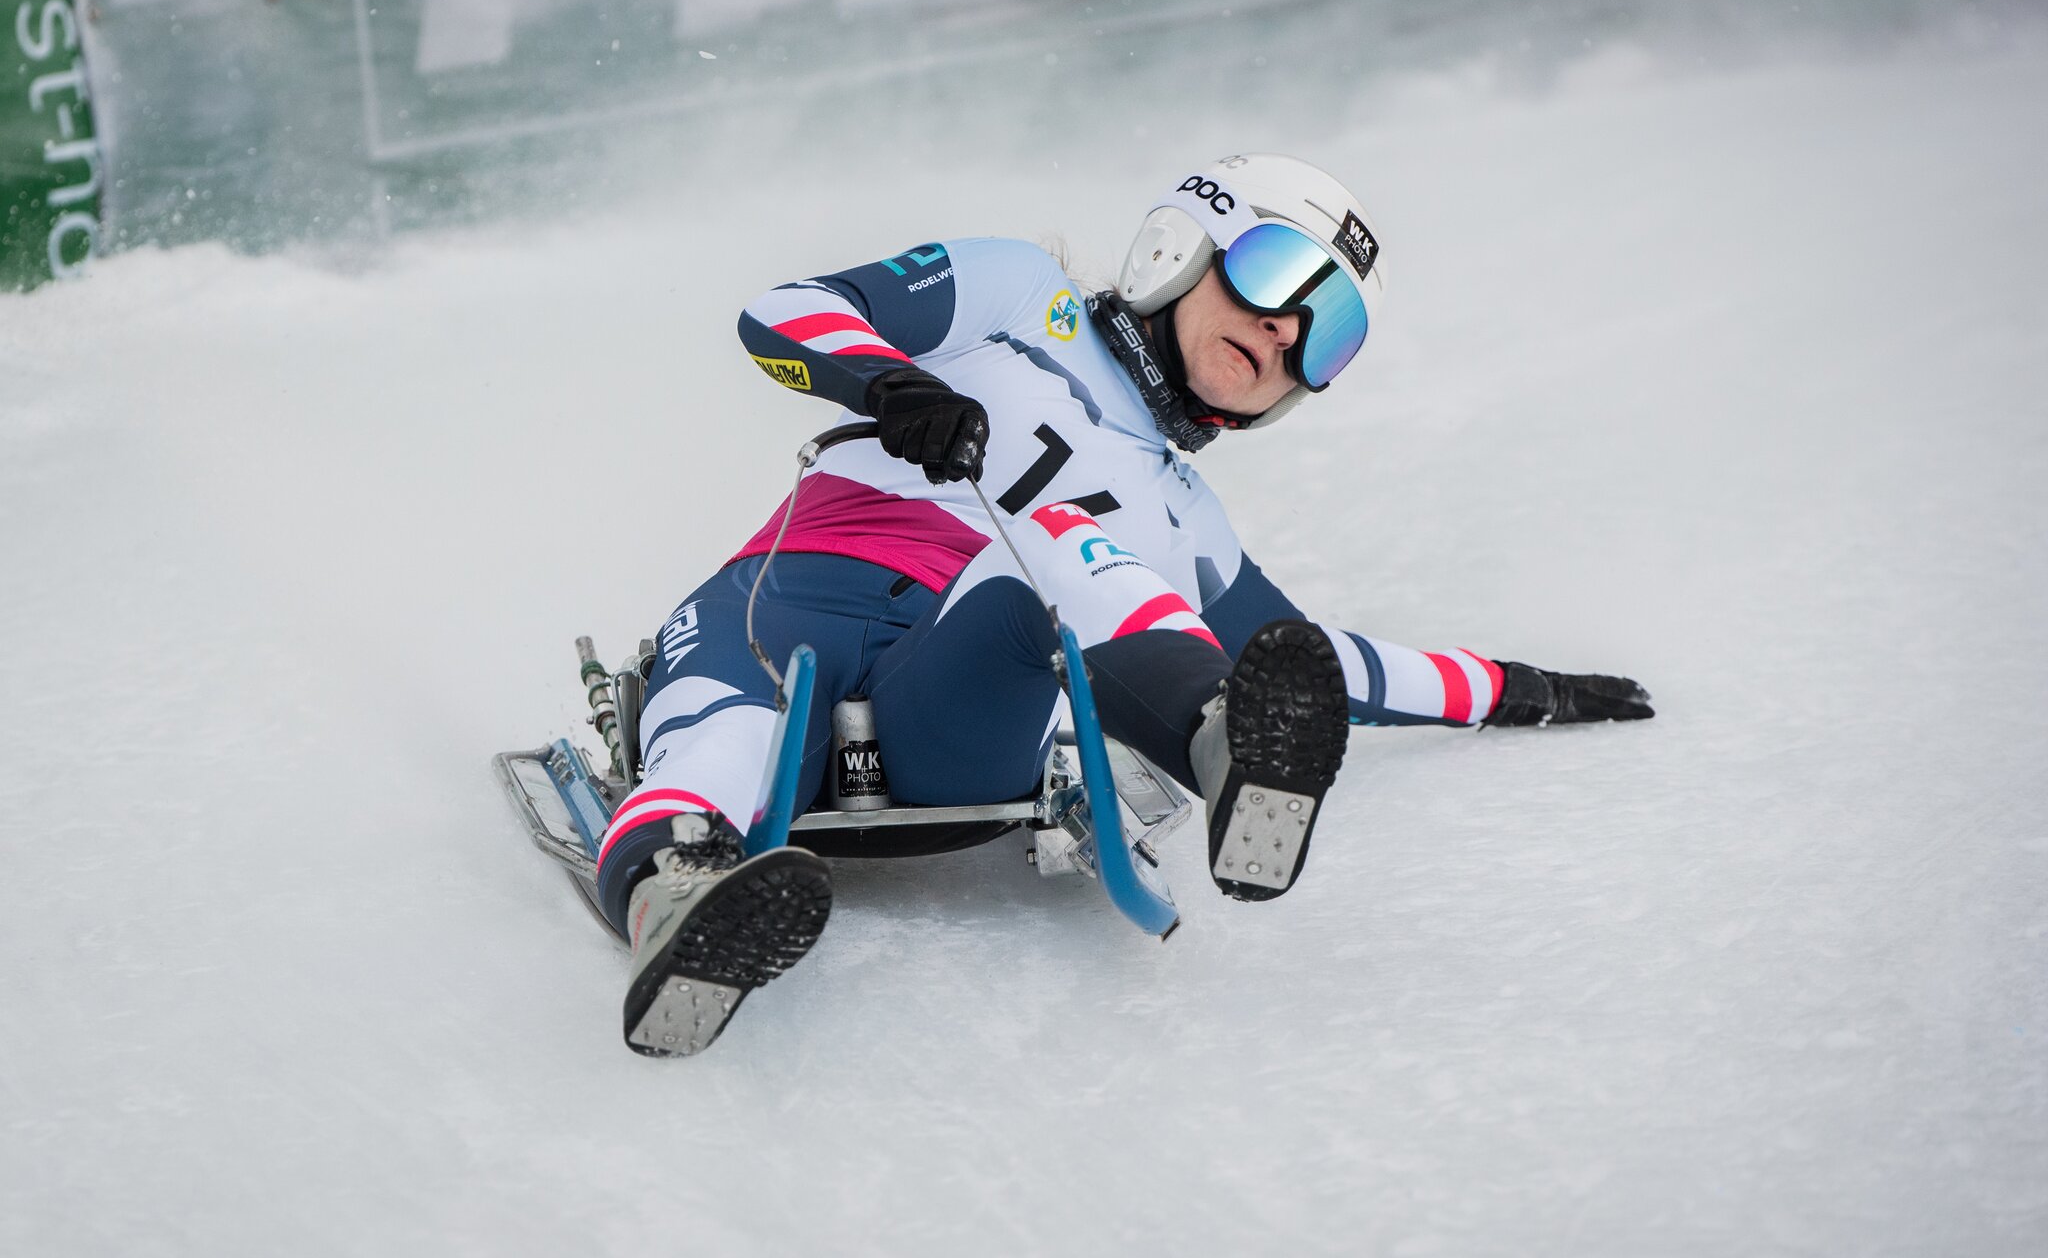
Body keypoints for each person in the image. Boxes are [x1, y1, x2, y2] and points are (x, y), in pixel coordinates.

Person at [604, 153, 1653, 1057]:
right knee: (716, 736)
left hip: (956, 700)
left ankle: (1223, 746)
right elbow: (780, 312)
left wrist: (1518, 688)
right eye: (1277, 275)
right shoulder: (1020, 295)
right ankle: (678, 907)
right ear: (1180, 246)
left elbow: (1312, 665)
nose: (1285, 330)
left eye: (1323, 332)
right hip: (786, 602)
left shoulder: (1182, 516)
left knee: (1053, 535)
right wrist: (888, 385)